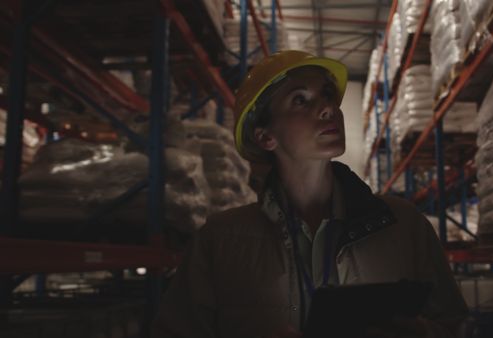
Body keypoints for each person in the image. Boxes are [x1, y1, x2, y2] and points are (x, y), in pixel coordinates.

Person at [152, 50, 468, 338]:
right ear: (265, 137)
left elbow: (457, 326)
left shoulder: (403, 224)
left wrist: (423, 333)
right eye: (300, 100)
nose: (328, 108)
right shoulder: (220, 241)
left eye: (328, 95)